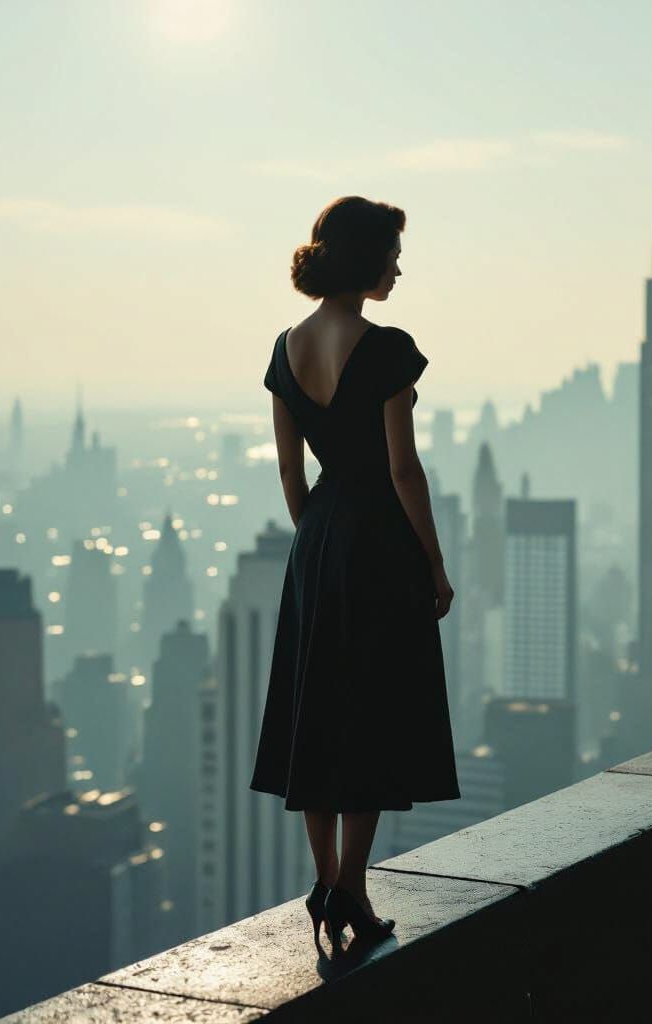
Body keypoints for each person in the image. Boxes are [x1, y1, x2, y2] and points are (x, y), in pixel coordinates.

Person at [249, 195, 461, 957]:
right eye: (392, 255)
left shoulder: (286, 346)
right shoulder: (388, 346)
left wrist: (316, 535)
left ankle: (325, 876)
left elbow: (286, 465)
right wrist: (433, 560)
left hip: (319, 536)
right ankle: (353, 890)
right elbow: (404, 469)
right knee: (371, 708)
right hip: (377, 536)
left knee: (318, 704)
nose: (398, 267)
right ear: (365, 258)